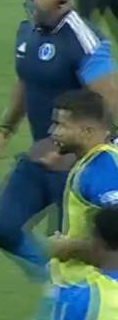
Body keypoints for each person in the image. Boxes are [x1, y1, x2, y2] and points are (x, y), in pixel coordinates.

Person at [0, 0, 118, 320]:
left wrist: (75, 151)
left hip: (77, 163)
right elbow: (24, 81)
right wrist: (4, 128)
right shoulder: (27, 31)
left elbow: (109, 103)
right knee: (2, 226)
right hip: (41, 153)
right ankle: (53, 287)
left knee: (76, 248)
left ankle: (86, 316)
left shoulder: (84, 40)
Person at [45, 91, 118, 286]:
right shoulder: (95, 160)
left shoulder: (102, 168)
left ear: (87, 132)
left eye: (61, 125)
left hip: (98, 290)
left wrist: (69, 247)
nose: (53, 131)